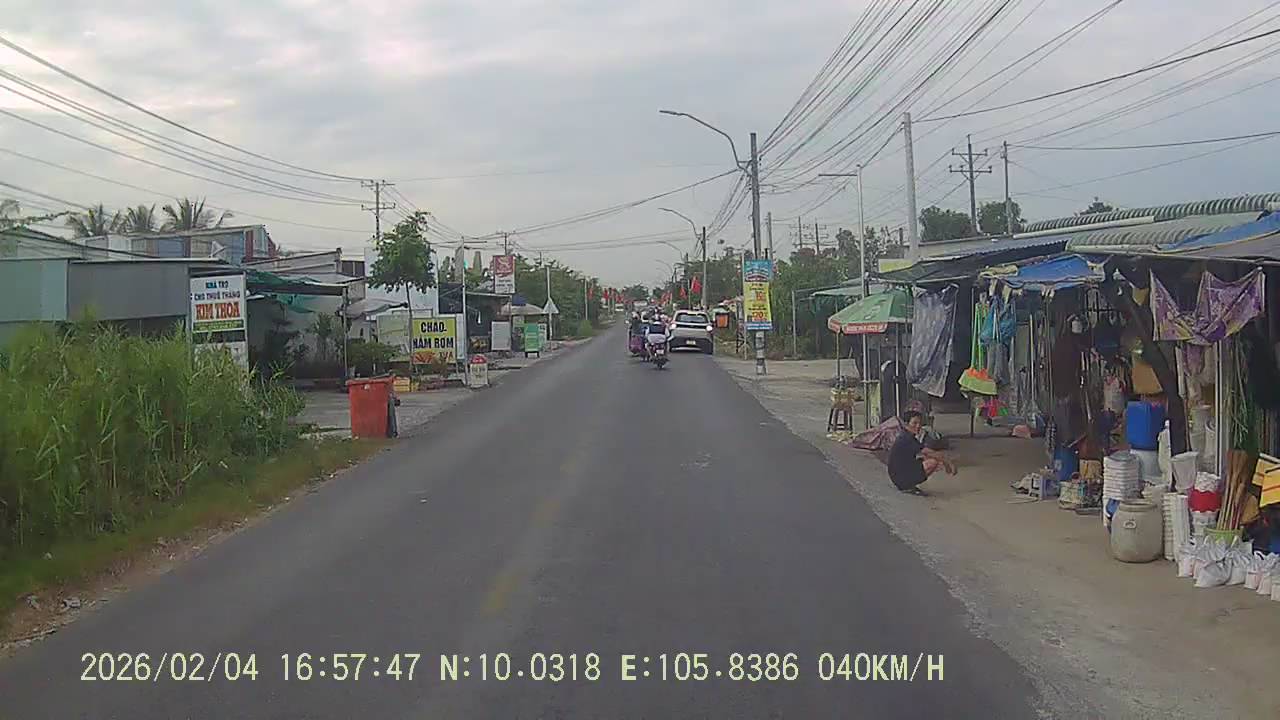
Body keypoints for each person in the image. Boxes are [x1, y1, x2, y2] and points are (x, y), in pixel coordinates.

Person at [887, 410, 955, 495]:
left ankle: (908, 484)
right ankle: (908, 486)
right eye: (914, 423)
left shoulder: (905, 435)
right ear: (906, 424)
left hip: (897, 475)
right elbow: (929, 452)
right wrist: (948, 463)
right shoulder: (907, 439)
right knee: (932, 462)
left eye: (919, 423)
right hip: (900, 478)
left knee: (931, 459)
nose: (918, 426)